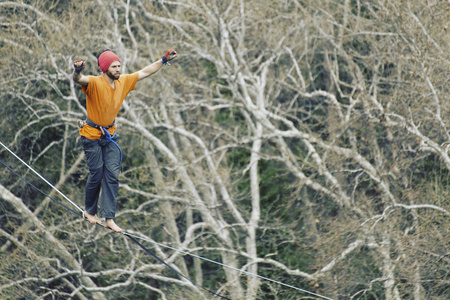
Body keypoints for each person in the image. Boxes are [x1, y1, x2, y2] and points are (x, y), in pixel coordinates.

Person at [73, 49, 177, 232]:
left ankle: (108, 218)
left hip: (110, 135)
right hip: (91, 135)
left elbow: (145, 71)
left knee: (112, 174)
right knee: (97, 173)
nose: (118, 69)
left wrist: (163, 60)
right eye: (114, 66)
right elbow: (79, 79)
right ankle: (89, 211)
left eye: (119, 66)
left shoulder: (124, 82)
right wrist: (77, 70)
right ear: (105, 68)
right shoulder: (95, 83)